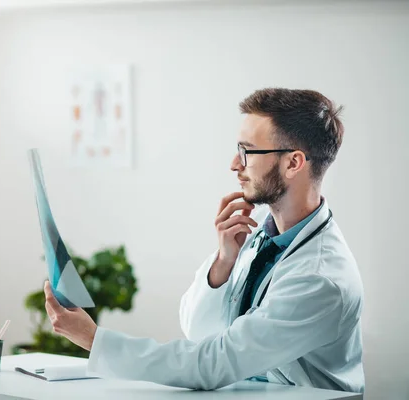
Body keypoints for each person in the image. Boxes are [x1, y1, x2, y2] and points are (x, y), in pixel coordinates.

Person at [43, 88, 365, 393]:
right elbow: (197, 332)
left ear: (293, 163)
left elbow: (213, 363)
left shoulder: (320, 277)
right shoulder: (257, 238)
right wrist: (223, 264)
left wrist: (94, 339)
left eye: (247, 151)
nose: (235, 164)